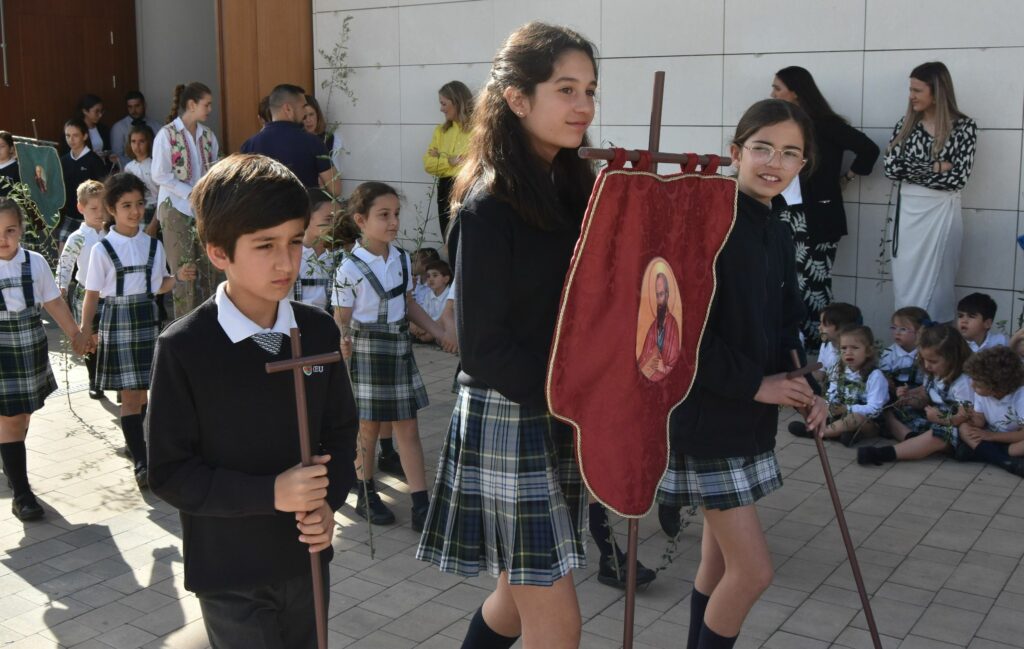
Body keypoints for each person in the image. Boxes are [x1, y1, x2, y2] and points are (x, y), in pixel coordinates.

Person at [416, 22, 601, 649]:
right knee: (557, 624)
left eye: (590, 91)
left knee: (514, 606)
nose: (583, 106)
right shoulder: (489, 204)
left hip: (553, 410)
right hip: (510, 413)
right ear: (518, 99)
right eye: (566, 89)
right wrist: (572, 400)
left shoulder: (571, 186)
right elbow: (486, 347)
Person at [148, 153, 358, 647]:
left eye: (295, 241)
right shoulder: (184, 348)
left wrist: (328, 503)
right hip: (229, 569)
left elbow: (340, 430)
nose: (286, 262)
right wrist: (270, 494)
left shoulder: (317, 329)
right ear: (218, 251)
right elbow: (170, 473)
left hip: (304, 557)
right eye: (265, 245)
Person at [656, 99, 827, 649]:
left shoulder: (776, 229)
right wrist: (757, 384)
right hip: (708, 417)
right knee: (753, 572)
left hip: (747, 418)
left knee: (717, 564)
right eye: (762, 147)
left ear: (803, 165)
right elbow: (674, 331)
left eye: (790, 152)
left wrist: (806, 388)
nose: (774, 161)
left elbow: (787, 323)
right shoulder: (706, 223)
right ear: (736, 153)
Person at [332, 182, 451, 530]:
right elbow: (341, 317)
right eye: (384, 215)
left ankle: (420, 503)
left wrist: (439, 330)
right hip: (365, 349)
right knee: (367, 429)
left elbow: (409, 303)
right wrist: (342, 340)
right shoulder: (349, 267)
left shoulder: (401, 258)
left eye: (396, 214)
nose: (393, 222)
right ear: (360, 220)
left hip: (398, 348)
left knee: (408, 426)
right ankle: (366, 495)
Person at [81, 173, 188, 488]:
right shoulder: (103, 250)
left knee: (146, 393)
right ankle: (142, 462)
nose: (135, 211)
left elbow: (158, 285)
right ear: (112, 209)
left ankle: (139, 446)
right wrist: (85, 331)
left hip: (147, 321)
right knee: (131, 396)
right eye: (126, 205)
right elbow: (91, 293)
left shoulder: (152, 246)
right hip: (118, 322)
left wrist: (179, 276)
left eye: (140, 204)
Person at [770, 67, 880, 344]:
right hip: (784, 213)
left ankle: (825, 350)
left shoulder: (825, 124)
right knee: (784, 283)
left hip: (817, 216)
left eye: (777, 88)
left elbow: (869, 148)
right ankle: (793, 346)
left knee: (814, 287)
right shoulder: (781, 124)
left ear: (795, 92)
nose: (772, 94)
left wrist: (848, 177)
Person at [1, 197, 90, 520]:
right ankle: (23, 495)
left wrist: (76, 334)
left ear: (21, 230)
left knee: (22, 416)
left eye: (10, 230)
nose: (3, 238)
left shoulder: (34, 262)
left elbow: (53, 302)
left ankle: (10, 462)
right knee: (10, 419)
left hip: (28, 347)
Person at [884, 62, 977, 321]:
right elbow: (891, 168)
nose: (911, 96)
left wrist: (911, 171)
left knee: (939, 286)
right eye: (910, 89)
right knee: (905, 283)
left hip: (941, 213)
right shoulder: (906, 125)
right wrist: (935, 166)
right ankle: (907, 340)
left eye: (917, 90)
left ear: (936, 92)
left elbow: (957, 178)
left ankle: (937, 348)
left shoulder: (963, 127)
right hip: (909, 215)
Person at [151, 82, 220, 317]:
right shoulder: (167, 134)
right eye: (206, 104)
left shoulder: (209, 136)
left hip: (202, 209)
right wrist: (190, 192)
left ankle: (210, 323)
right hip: (175, 208)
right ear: (192, 104)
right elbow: (159, 173)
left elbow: (214, 169)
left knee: (208, 269)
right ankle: (184, 328)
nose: (210, 109)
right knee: (184, 270)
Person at [860, 323, 974, 464]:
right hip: (934, 418)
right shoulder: (933, 373)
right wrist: (910, 398)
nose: (927, 365)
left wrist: (940, 418)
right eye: (924, 360)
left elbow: (965, 416)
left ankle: (886, 453)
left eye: (933, 361)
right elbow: (926, 396)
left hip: (953, 425)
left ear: (953, 358)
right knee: (893, 411)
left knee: (939, 435)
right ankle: (912, 440)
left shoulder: (962, 382)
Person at [56, 180, 107, 399]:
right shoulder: (78, 237)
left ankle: (117, 380)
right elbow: (65, 264)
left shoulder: (112, 233)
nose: (99, 213)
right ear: (81, 208)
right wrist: (61, 286)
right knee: (90, 340)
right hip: (86, 293)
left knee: (109, 338)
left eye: (103, 207)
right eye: (93, 208)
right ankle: (94, 379)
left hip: (110, 294)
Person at [241, 84, 341, 196]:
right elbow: (335, 188)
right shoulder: (313, 142)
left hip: (263, 211)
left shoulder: (249, 145)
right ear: (288, 109)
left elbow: (244, 189)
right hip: (303, 210)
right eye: (303, 107)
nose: (304, 113)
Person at [957, 346, 1024, 476]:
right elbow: (980, 420)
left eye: (978, 384)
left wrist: (992, 436)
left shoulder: (1020, 397)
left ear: (998, 387)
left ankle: (981, 453)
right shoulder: (982, 393)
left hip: (1014, 438)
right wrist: (970, 417)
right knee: (964, 427)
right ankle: (1005, 461)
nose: (972, 385)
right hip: (992, 436)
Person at [821, 325, 887, 447]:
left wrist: (848, 409)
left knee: (854, 418)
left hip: (868, 422)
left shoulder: (875, 376)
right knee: (819, 406)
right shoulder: (839, 371)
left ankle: (819, 433)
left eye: (855, 348)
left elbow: (875, 409)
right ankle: (844, 435)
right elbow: (831, 393)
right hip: (840, 416)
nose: (848, 352)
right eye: (844, 348)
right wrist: (829, 406)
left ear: (868, 351)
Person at [423, 81, 473, 239]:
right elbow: (428, 165)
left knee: (468, 238)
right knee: (449, 238)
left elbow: (475, 164)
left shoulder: (478, 130)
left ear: (457, 102)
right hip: (445, 188)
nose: (441, 108)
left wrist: (441, 157)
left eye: (444, 103)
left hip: (468, 188)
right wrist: (450, 162)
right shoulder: (441, 131)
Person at [58, 118, 108, 246]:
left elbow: (103, 189)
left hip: (92, 214)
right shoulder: (63, 160)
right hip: (70, 214)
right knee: (63, 250)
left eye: (75, 135)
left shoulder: (94, 160)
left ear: (85, 136)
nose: (71, 139)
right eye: (68, 136)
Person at [293, 188, 339, 311]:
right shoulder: (291, 257)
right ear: (306, 218)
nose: (334, 225)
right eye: (328, 219)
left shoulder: (339, 257)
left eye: (337, 219)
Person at [638, 272, 680, 381]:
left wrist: (664, 368)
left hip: (665, 378)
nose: (659, 301)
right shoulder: (653, 326)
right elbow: (643, 358)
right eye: (657, 295)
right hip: (649, 377)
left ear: (667, 295)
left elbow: (678, 364)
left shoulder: (673, 325)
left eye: (661, 294)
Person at [879, 306, 930, 392]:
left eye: (903, 329)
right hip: (894, 391)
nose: (897, 333)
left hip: (920, 391)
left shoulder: (926, 353)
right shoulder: (889, 352)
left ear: (920, 332)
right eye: (894, 328)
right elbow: (884, 377)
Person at [108, 91, 163, 170]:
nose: (134, 110)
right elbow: (116, 156)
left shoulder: (157, 126)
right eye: (130, 107)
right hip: (128, 171)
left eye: (137, 106)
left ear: (144, 105)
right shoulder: (118, 128)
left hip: (155, 169)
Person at [123, 125, 160, 235]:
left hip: (154, 212)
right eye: (133, 141)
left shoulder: (155, 165)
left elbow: (162, 196)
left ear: (149, 142)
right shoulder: (129, 167)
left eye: (141, 142)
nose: (137, 146)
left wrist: (154, 223)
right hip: (135, 211)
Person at [409, 259, 451, 343]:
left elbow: (443, 320)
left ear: (446, 279)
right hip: (430, 327)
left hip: (442, 327)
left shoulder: (450, 296)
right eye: (428, 276)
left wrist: (427, 329)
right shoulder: (428, 295)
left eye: (435, 275)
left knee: (428, 335)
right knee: (411, 324)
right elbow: (424, 314)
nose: (431, 279)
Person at [302, 94, 342, 169]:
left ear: (317, 115)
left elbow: (335, 173)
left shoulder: (331, 139)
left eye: (311, 114)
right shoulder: (295, 139)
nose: (308, 120)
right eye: (304, 117)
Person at [76, 94, 111, 166]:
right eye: (96, 111)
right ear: (85, 111)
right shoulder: (76, 130)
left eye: (101, 111)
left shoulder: (103, 129)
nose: (100, 115)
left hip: (102, 168)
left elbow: (107, 149)